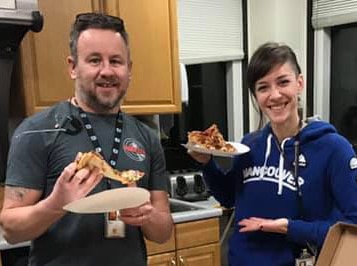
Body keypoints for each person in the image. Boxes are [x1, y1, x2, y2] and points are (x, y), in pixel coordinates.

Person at [0, 12, 173, 266]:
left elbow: (164, 231)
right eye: (94, 60)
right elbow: (10, 229)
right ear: (72, 67)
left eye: (116, 61)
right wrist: (57, 204)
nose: (106, 71)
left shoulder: (146, 136)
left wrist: (146, 216)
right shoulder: (36, 131)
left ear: (129, 69)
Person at [188, 42, 357, 266]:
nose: (274, 95)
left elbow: (352, 227)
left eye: (283, 82)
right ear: (255, 95)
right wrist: (206, 163)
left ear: (300, 83)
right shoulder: (250, 145)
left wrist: (288, 227)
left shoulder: (333, 148)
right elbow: (229, 196)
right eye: (263, 87)